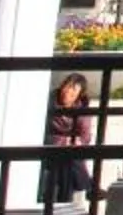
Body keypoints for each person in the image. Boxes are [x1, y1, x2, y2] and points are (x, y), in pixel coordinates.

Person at [40, 74, 97, 207]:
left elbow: (85, 136)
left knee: (68, 160)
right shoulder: (49, 103)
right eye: (67, 87)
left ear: (79, 95)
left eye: (74, 91)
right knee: (69, 158)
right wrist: (63, 141)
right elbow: (41, 133)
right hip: (50, 147)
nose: (68, 92)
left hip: (69, 153)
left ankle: (64, 204)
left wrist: (77, 141)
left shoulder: (82, 110)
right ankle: (89, 186)